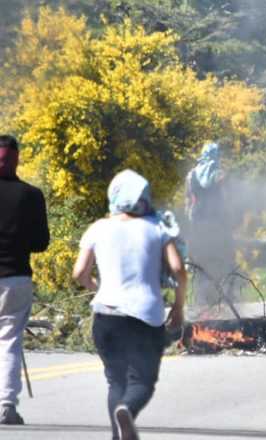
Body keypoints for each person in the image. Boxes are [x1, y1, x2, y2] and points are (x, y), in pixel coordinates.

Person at [72, 169, 187, 440]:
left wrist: (96, 287)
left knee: (116, 381)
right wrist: (179, 307)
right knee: (143, 382)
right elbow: (178, 269)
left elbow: (79, 273)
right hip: (144, 317)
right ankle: (127, 409)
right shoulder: (157, 227)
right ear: (144, 197)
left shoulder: (98, 228)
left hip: (105, 316)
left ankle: (119, 432)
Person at [0, 135, 49, 425]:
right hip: (15, 278)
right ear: (16, 158)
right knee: (8, 342)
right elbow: (41, 242)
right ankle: (5, 406)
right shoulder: (30, 195)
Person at [185, 142, 234, 310]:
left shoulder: (191, 175)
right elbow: (227, 200)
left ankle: (201, 301)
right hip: (217, 225)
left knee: (200, 263)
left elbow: (189, 201)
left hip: (198, 225)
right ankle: (221, 300)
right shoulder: (220, 174)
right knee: (221, 261)